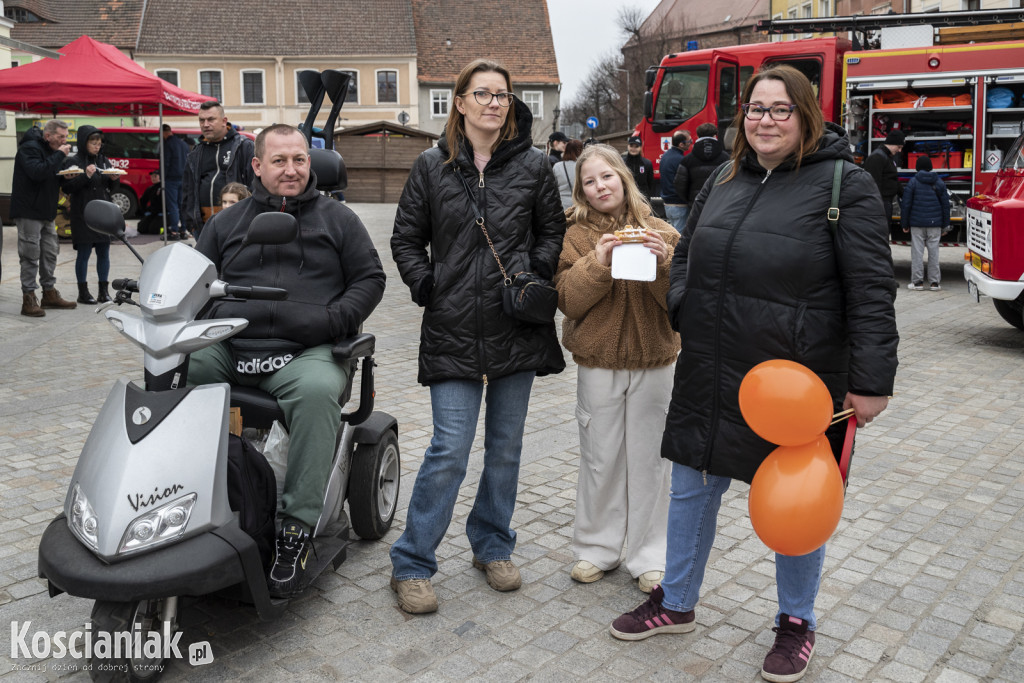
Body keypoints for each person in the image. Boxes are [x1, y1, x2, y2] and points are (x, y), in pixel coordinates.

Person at [610, 65, 898, 683]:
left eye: (780, 109)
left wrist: (871, 381)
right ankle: (677, 601)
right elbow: (687, 253)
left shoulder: (845, 185)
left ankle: (796, 623)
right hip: (712, 366)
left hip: (792, 382)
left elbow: (872, 290)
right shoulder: (724, 174)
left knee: (795, 500)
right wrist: (683, 302)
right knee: (691, 484)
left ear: (806, 116)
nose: (765, 120)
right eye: (756, 109)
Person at [390, 58, 566, 615]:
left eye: (502, 94)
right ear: (460, 102)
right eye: (482, 93)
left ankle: (492, 545)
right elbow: (405, 239)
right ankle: (413, 562)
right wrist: (429, 286)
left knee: (506, 449)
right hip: (453, 328)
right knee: (449, 449)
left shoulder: (535, 167)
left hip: (516, 327)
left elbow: (553, 230)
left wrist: (531, 274)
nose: (494, 102)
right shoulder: (430, 166)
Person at [188, 123, 386, 598]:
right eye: (279, 161)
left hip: (306, 352)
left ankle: (295, 529)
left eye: (300, 160)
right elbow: (195, 282)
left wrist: (335, 319)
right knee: (182, 371)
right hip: (234, 345)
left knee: (318, 393)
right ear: (257, 166)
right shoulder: (226, 224)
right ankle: (187, 500)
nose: (292, 170)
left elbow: (370, 278)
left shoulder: (338, 219)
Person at [554, 143, 678, 594]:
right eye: (589, 181)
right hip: (598, 363)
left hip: (655, 361)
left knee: (651, 461)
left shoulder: (662, 230)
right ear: (581, 192)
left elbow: (679, 303)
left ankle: (650, 556)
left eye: (606, 176)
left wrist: (664, 262)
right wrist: (598, 262)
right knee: (600, 458)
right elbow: (568, 300)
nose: (599, 186)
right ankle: (596, 548)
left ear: (623, 178)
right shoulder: (575, 238)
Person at [11, 120, 78, 317]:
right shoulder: (28, 149)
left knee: (49, 253)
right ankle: (29, 297)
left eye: (66, 137)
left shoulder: (52, 151)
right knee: (30, 255)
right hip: (29, 211)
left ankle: (49, 293)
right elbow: (37, 172)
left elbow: (50, 176)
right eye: (60, 137)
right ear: (47, 136)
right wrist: (59, 155)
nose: (64, 141)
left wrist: (66, 177)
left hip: (47, 212)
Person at [60, 126, 119, 305]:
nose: (97, 147)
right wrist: (85, 175)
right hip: (82, 213)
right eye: (93, 143)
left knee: (104, 252)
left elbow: (110, 188)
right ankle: (83, 292)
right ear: (84, 143)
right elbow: (67, 187)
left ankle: (103, 291)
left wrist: (115, 179)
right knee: (84, 253)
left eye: (99, 143)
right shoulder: (74, 162)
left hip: (102, 213)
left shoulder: (103, 160)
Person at [182, 100, 255, 239]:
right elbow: (187, 189)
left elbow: (255, 184)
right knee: (206, 261)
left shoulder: (244, 146)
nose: (205, 124)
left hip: (236, 224)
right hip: (203, 226)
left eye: (211, 119)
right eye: (201, 120)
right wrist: (189, 221)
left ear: (224, 121)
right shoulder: (196, 153)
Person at [901, 155, 950, 292]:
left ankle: (917, 283)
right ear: (930, 167)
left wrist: (904, 224)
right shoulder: (939, 182)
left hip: (917, 224)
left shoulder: (913, 182)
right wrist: (945, 225)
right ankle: (934, 283)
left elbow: (906, 205)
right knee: (934, 253)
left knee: (917, 253)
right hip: (935, 225)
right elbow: (945, 205)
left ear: (917, 168)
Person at [673, 122, 730, 208]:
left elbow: (679, 184)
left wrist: (690, 199)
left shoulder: (687, 160)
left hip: (696, 205)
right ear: (715, 136)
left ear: (698, 136)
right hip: (720, 205)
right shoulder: (726, 158)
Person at [863, 129, 905, 227]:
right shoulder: (877, 158)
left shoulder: (886, 157)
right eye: (899, 147)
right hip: (880, 205)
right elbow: (873, 184)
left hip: (884, 203)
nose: (899, 150)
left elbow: (893, 179)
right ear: (891, 143)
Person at [659, 130, 692, 232]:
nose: (691, 144)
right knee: (678, 237)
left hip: (668, 203)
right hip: (679, 204)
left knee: (673, 233)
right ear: (681, 144)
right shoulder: (681, 159)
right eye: (689, 141)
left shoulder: (665, 156)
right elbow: (683, 182)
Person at [162, 124, 190, 240]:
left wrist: (162, 177)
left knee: (173, 206)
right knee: (181, 205)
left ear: (164, 132)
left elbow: (166, 162)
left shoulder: (168, 144)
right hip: (183, 178)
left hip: (171, 179)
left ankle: (174, 231)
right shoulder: (183, 144)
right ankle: (183, 230)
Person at [622, 135, 655, 201]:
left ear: (640, 148)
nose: (633, 149)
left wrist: (647, 196)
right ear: (628, 146)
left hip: (642, 199)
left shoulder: (647, 163)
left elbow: (650, 183)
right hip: (626, 198)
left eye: (636, 146)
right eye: (631, 146)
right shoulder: (622, 163)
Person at [553, 139, 583, 210]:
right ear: (580, 151)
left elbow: (553, 187)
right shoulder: (582, 166)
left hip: (562, 205)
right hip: (579, 204)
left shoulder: (557, 166)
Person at [137, 170, 166, 235]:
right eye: (152, 177)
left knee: (154, 230)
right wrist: (145, 211)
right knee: (141, 228)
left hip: (162, 213)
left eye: (155, 176)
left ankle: (166, 227)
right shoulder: (150, 188)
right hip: (152, 213)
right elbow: (143, 201)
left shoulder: (164, 188)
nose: (153, 178)